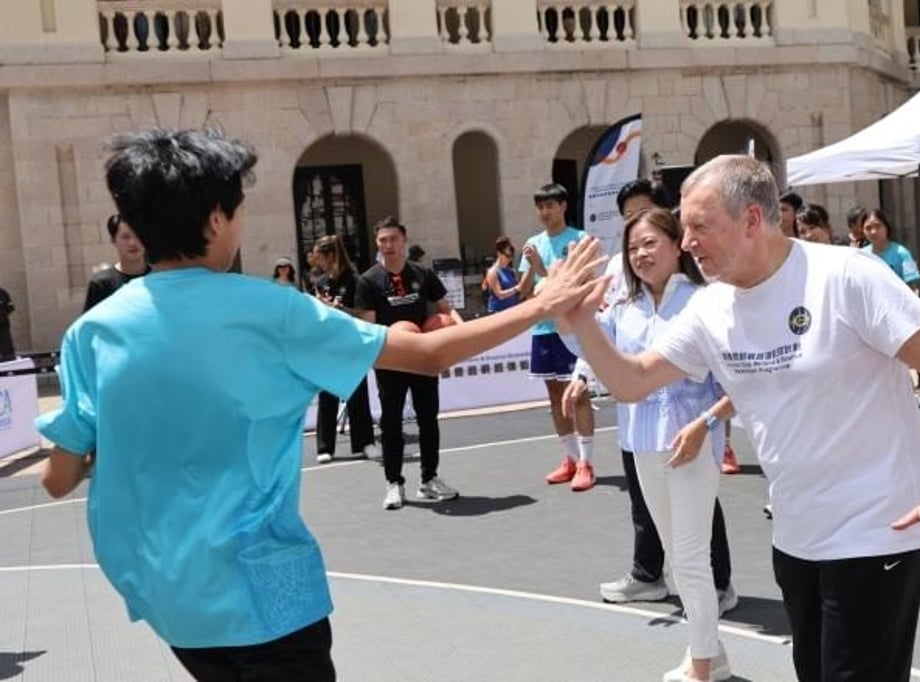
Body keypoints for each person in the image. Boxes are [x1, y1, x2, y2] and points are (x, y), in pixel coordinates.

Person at [35, 127, 606, 681]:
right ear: (215, 218)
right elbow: (428, 354)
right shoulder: (270, 310)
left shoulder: (91, 333)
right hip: (266, 597)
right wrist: (542, 304)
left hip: (169, 599)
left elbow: (58, 477)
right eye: (236, 208)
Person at [565, 155, 920, 682]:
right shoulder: (712, 309)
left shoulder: (846, 276)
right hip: (795, 539)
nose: (686, 241)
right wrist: (581, 323)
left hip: (876, 534)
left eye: (699, 226)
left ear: (753, 221)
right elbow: (631, 381)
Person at [562, 208, 735, 682]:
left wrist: (706, 423)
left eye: (650, 243)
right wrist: (570, 320)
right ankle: (710, 651)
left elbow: (738, 380)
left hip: (693, 443)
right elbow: (596, 354)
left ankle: (702, 668)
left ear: (677, 245)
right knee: (678, 557)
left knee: (692, 556)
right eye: (633, 247)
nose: (640, 254)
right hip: (641, 439)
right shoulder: (624, 309)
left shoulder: (706, 301)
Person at [355, 216, 464, 510]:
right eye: (382, 240)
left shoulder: (423, 274)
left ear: (403, 240)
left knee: (428, 418)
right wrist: (384, 349)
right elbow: (369, 327)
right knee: (391, 424)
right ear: (377, 244)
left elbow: (446, 310)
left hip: (423, 357)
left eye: (393, 239)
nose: (388, 245)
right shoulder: (368, 281)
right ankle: (394, 483)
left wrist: (460, 336)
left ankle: (429, 479)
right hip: (390, 360)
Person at [520, 182, 597, 491]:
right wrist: (532, 269)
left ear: (564, 206)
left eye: (550, 205)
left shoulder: (579, 241)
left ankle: (586, 463)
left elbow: (582, 283)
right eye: (540, 207)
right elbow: (524, 292)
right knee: (555, 397)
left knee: (577, 395)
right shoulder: (533, 243)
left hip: (572, 330)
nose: (544, 212)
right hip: (543, 330)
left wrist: (542, 268)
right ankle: (570, 458)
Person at [311, 235, 378, 463]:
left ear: (331, 255)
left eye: (319, 257)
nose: (316, 262)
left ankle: (365, 442)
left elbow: (364, 314)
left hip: (351, 342)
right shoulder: (320, 282)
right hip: (327, 344)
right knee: (327, 395)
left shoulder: (356, 281)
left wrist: (337, 309)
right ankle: (324, 446)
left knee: (357, 394)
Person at [83, 214, 151, 311]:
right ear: (113, 241)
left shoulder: (159, 277)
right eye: (126, 237)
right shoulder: (101, 284)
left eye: (138, 235)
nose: (133, 242)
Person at [861, 208, 920, 294]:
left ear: (886, 227)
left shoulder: (903, 253)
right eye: (868, 228)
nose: (873, 232)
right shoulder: (861, 256)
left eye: (878, 226)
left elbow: (913, 286)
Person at [484, 236, 530, 313]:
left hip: (513, 311)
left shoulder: (511, 271)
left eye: (512, 256)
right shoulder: (492, 272)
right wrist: (516, 288)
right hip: (499, 313)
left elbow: (519, 293)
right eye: (507, 256)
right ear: (499, 253)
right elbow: (500, 295)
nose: (510, 259)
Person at [0, 286, 14, 361]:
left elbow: (10, 307)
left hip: (2, 324)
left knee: (5, 343)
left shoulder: (2, 293)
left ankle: (8, 359)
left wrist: (3, 315)